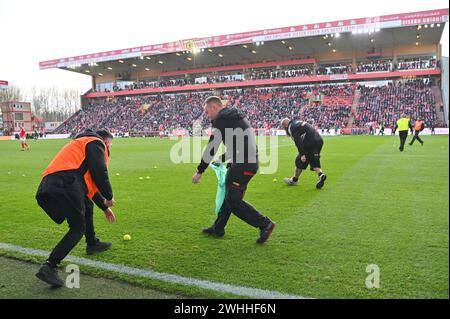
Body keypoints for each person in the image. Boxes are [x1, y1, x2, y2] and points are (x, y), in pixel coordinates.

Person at [35, 129, 116, 287]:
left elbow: (89, 186)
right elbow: (100, 171)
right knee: (77, 228)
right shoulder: (96, 143)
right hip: (67, 182)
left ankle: (92, 244)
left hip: (54, 182)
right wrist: (109, 195)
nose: (109, 149)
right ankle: (49, 266)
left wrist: (105, 208)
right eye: (110, 146)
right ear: (106, 142)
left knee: (87, 203)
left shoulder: (80, 144)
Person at [192, 96, 275, 244]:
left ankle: (264, 224)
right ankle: (218, 228)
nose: (207, 115)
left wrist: (200, 171)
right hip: (242, 162)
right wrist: (223, 158)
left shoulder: (222, 119)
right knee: (228, 196)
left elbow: (212, 146)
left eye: (207, 111)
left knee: (233, 201)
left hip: (244, 164)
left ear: (214, 107)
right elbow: (240, 143)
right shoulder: (233, 116)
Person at [281, 118, 327, 189]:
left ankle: (294, 180)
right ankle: (321, 175)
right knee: (314, 161)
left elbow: (298, 141)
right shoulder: (297, 122)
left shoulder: (292, 127)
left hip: (310, 142)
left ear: (286, 125)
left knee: (299, 160)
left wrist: (302, 154)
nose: (284, 129)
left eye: (283, 127)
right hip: (319, 140)